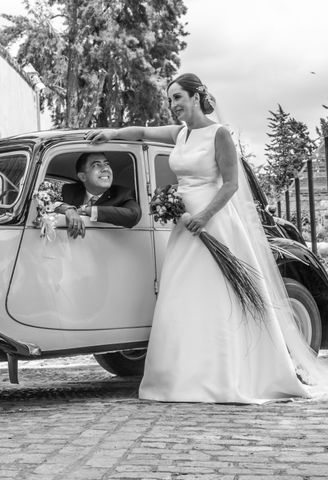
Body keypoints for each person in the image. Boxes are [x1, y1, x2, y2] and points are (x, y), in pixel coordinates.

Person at [86, 72, 328, 403]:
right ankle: (184, 377)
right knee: (183, 297)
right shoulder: (179, 134)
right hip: (185, 228)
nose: (172, 106)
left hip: (215, 224)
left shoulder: (220, 134)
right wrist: (112, 133)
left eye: (177, 98)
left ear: (196, 97)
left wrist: (205, 215)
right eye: (169, 100)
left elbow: (230, 184)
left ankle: (228, 376)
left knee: (220, 298)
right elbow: (142, 132)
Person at [56, 152, 141, 238]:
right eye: (96, 165)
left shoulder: (122, 193)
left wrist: (86, 210)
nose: (105, 169)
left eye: (107, 164)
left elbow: (133, 216)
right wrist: (69, 210)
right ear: (82, 177)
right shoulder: (69, 190)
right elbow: (47, 203)